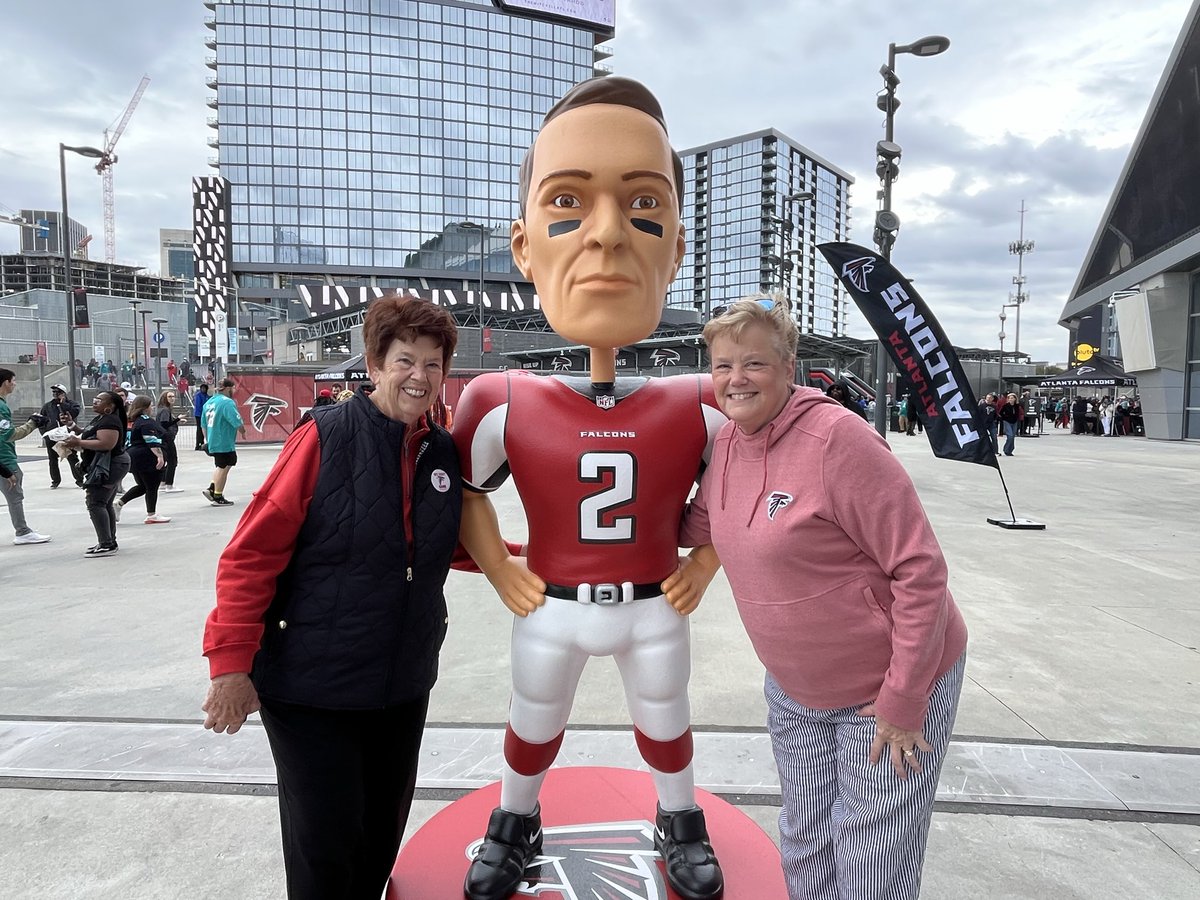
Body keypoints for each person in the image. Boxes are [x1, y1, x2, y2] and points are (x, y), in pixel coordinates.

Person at [455, 76, 725, 900]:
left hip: (651, 599)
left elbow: (750, 494)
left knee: (666, 717)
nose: (607, 237)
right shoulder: (499, 400)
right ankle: (513, 818)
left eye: (645, 208)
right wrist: (501, 567)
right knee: (532, 718)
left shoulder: (703, 402)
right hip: (557, 599)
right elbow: (463, 492)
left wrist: (707, 557)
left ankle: (678, 819)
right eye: (567, 205)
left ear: (676, 244)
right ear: (525, 244)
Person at [673, 296, 967, 900]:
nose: (735, 379)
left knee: (872, 861)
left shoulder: (838, 441)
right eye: (722, 365)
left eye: (753, 363)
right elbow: (693, 529)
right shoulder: (727, 443)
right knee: (805, 838)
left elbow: (922, 571)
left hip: (884, 690)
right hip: (794, 689)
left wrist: (903, 699)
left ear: (788, 365)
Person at [201, 296, 462, 900]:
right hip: (312, 683)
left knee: (380, 833)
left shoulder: (440, 450)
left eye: (433, 363)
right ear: (374, 364)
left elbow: (442, 544)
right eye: (405, 360)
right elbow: (250, 554)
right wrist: (230, 666)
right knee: (326, 843)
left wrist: (548, 557)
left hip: (401, 680)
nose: (419, 376)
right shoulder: (325, 437)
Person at [62, 390, 131, 556]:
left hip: (110, 465)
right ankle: (109, 541)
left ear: (110, 406)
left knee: (95, 502)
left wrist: (78, 442)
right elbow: (89, 434)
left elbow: (106, 443)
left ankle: (107, 544)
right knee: (104, 503)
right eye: (95, 399)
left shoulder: (110, 421)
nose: (95, 402)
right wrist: (72, 426)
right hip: (107, 464)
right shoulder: (101, 418)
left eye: (99, 400)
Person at [0, 368, 52, 545]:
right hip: (4, 459)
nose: (15, 384)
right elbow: (8, 435)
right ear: (6, 382)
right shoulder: (1, 406)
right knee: (15, 497)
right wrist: (32, 424)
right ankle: (22, 531)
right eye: (13, 381)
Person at [114, 396, 170, 525]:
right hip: (146, 457)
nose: (152, 408)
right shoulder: (145, 421)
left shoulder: (131, 420)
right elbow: (151, 439)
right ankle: (151, 514)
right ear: (145, 408)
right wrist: (160, 456)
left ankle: (119, 503)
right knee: (152, 486)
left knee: (143, 486)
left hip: (132, 456)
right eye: (151, 406)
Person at [201, 378, 246, 506]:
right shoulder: (227, 403)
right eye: (233, 388)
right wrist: (242, 431)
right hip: (224, 439)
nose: (234, 391)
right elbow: (235, 420)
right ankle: (217, 494)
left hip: (213, 439)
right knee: (224, 465)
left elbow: (203, 424)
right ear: (227, 388)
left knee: (222, 465)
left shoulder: (209, 402)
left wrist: (208, 439)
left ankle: (212, 488)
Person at [37, 384, 84, 488]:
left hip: (66, 436)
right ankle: (55, 480)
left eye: (57, 392)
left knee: (72, 457)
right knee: (52, 459)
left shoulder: (72, 404)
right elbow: (41, 420)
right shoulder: (47, 406)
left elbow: (73, 413)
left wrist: (63, 404)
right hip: (52, 436)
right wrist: (45, 433)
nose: (55, 394)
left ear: (63, 393)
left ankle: (79, 479)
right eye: (54, 392)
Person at [154, 390, 187, 493]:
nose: (172, 398)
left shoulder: (163, 410)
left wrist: (177, 420)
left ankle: (163, 483)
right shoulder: (165, 410)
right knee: (172, 461)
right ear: (165, 398)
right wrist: (177, 419)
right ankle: (169, 484)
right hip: (167, 438)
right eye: (170, 396)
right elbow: (164, 424)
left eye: (173, 396)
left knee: (168, 460)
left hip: (163, 438)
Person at [998, 391, 1020, 456]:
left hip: (1014, 421)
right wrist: (1005, 418)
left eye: (1012, 398)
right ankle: (1006, 449)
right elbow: (1000, 413)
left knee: (1013, 436)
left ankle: (1010, 450)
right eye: (1010, 398)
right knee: (1010, 436)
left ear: (1015, 399)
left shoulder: (1017, 406)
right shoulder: (1005, 406)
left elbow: (1018, 413)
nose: (1011, 399)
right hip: (1007, 421)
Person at [193, 382, 211, 450]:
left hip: (205, 414)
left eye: (204, 388)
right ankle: (198, 444)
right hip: (199, 414)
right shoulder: (198, 395)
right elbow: (198, 405)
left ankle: (203, 443)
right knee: (199, 429)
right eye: (202, 388)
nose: (203, 389)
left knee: (204, 429)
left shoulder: (207, 395)